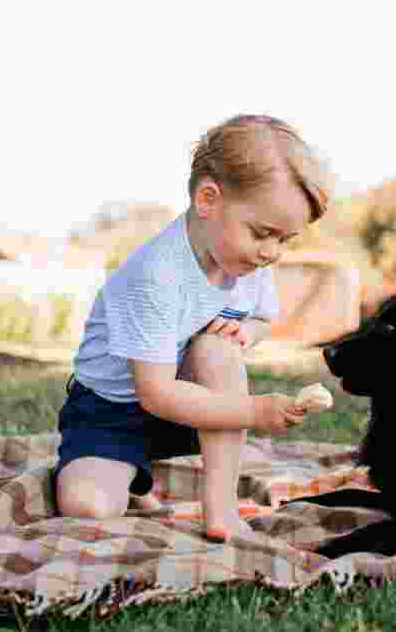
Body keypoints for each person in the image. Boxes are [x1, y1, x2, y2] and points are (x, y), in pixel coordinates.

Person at [55, 113, 333, 542]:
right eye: (264, 233)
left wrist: (247, 334)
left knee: (217, 349)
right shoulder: (157, 276)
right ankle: (127, 473)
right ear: (208, 200)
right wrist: (256, 411)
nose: (272, 253)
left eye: (284, 240)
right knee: (88, 509)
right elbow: (156, 393)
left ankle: (220, 510)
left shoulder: (245, 260)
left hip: (191, 404)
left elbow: (260, 319)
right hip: (113, 411)